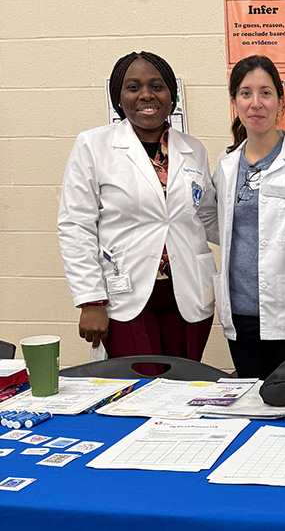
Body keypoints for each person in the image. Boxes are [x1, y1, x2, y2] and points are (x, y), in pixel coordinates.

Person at [58, 51, 218, 361]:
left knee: (183, 385)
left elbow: (209, 216)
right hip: (124, 294)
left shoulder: (193, 149)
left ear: (172, 96)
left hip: (187, 290)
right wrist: (91, 301)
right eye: (133, 87)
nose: (146, 94)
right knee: (140, 384)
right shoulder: (93, 146)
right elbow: (75, 226)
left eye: (157, 86)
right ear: (118, 98)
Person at [212, 55, 285, 378]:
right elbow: (218, 230)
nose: (256, 103)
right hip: (240, 314)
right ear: (234, 101)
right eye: (246, 93)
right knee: (250, 403)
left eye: (266, 93)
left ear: (281, 101)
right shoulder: (225, 167)